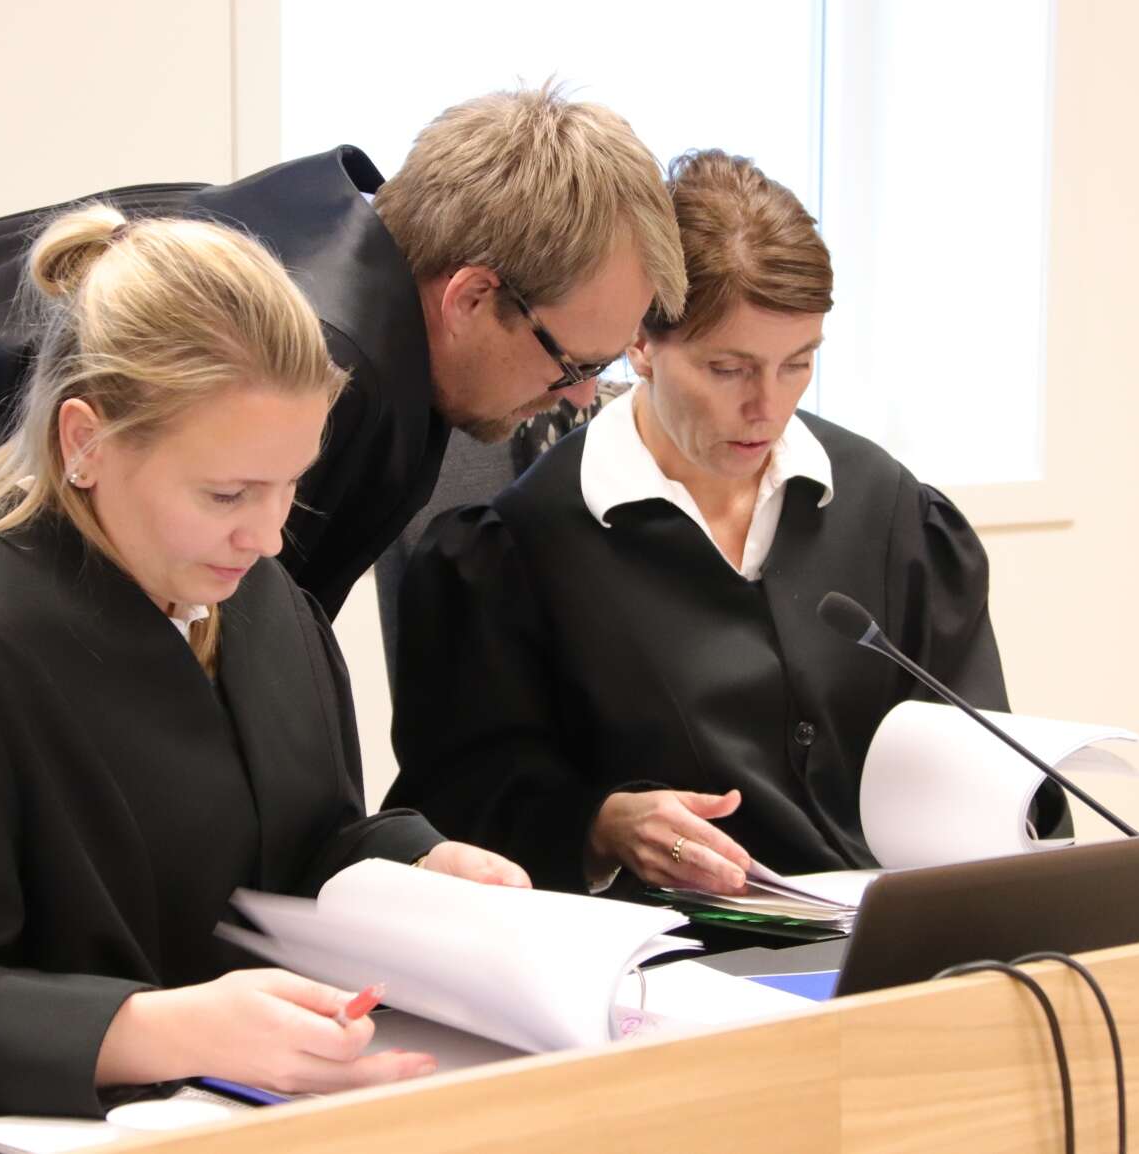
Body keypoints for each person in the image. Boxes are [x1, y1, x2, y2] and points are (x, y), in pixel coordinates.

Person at [0, 206, 528, 1121]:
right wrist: (164, 1031)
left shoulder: (262, 603)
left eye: (291, 485)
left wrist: (412, 864)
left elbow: (288, 846)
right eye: (227, 493)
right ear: (85, 442)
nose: (268, 536)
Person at [0, 85, 685, 619]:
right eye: (570, 365)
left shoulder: (325, 228)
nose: (580, 397)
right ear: (470, 296)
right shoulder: (309, 375)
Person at [384, 151, 1068, 895]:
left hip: (895, 928)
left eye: (796, 364)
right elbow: (463, 807)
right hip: (671, 947)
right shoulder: (514, 550)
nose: (766, 408)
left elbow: (986, 763)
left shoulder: (891, 509)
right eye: (727, 369)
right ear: (639, 343)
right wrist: (600, 825)